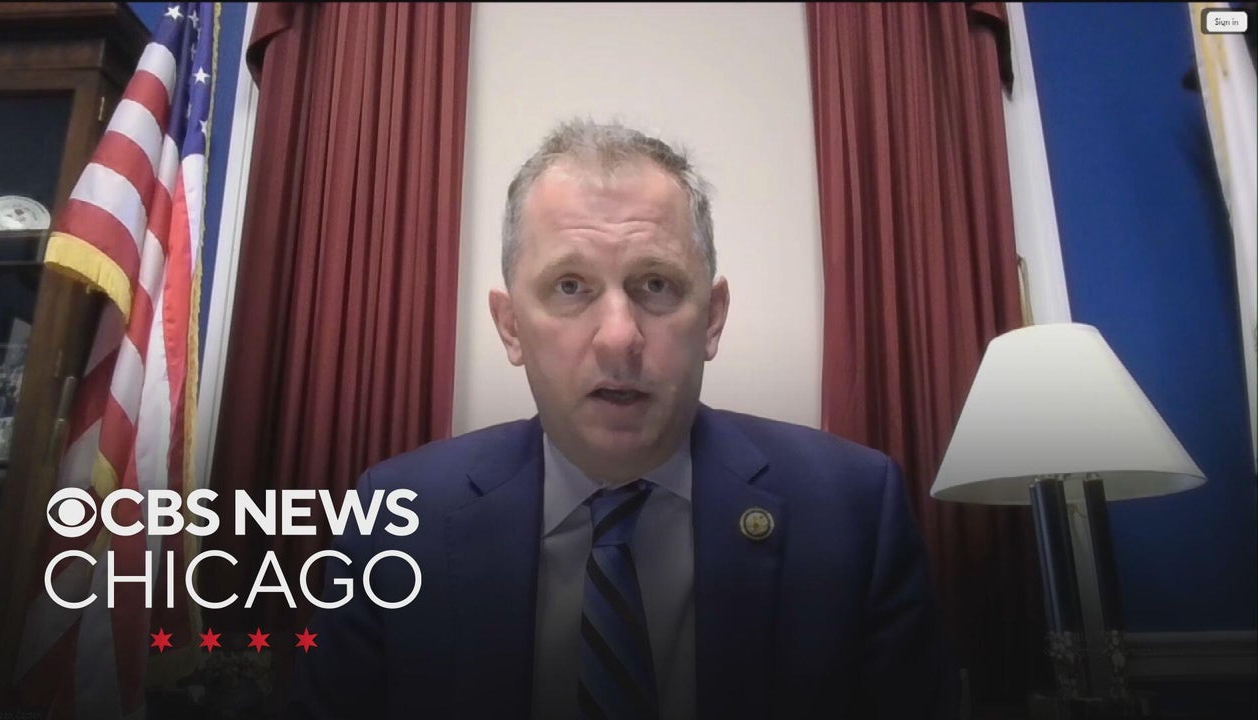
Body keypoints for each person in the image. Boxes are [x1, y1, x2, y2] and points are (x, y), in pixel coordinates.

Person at [289, 119, 956, 719]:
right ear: (511, 325)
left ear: (712, 319)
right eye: (570, 286)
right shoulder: (394, 515)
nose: (618, 338)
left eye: (656, 285)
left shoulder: (855, 509)